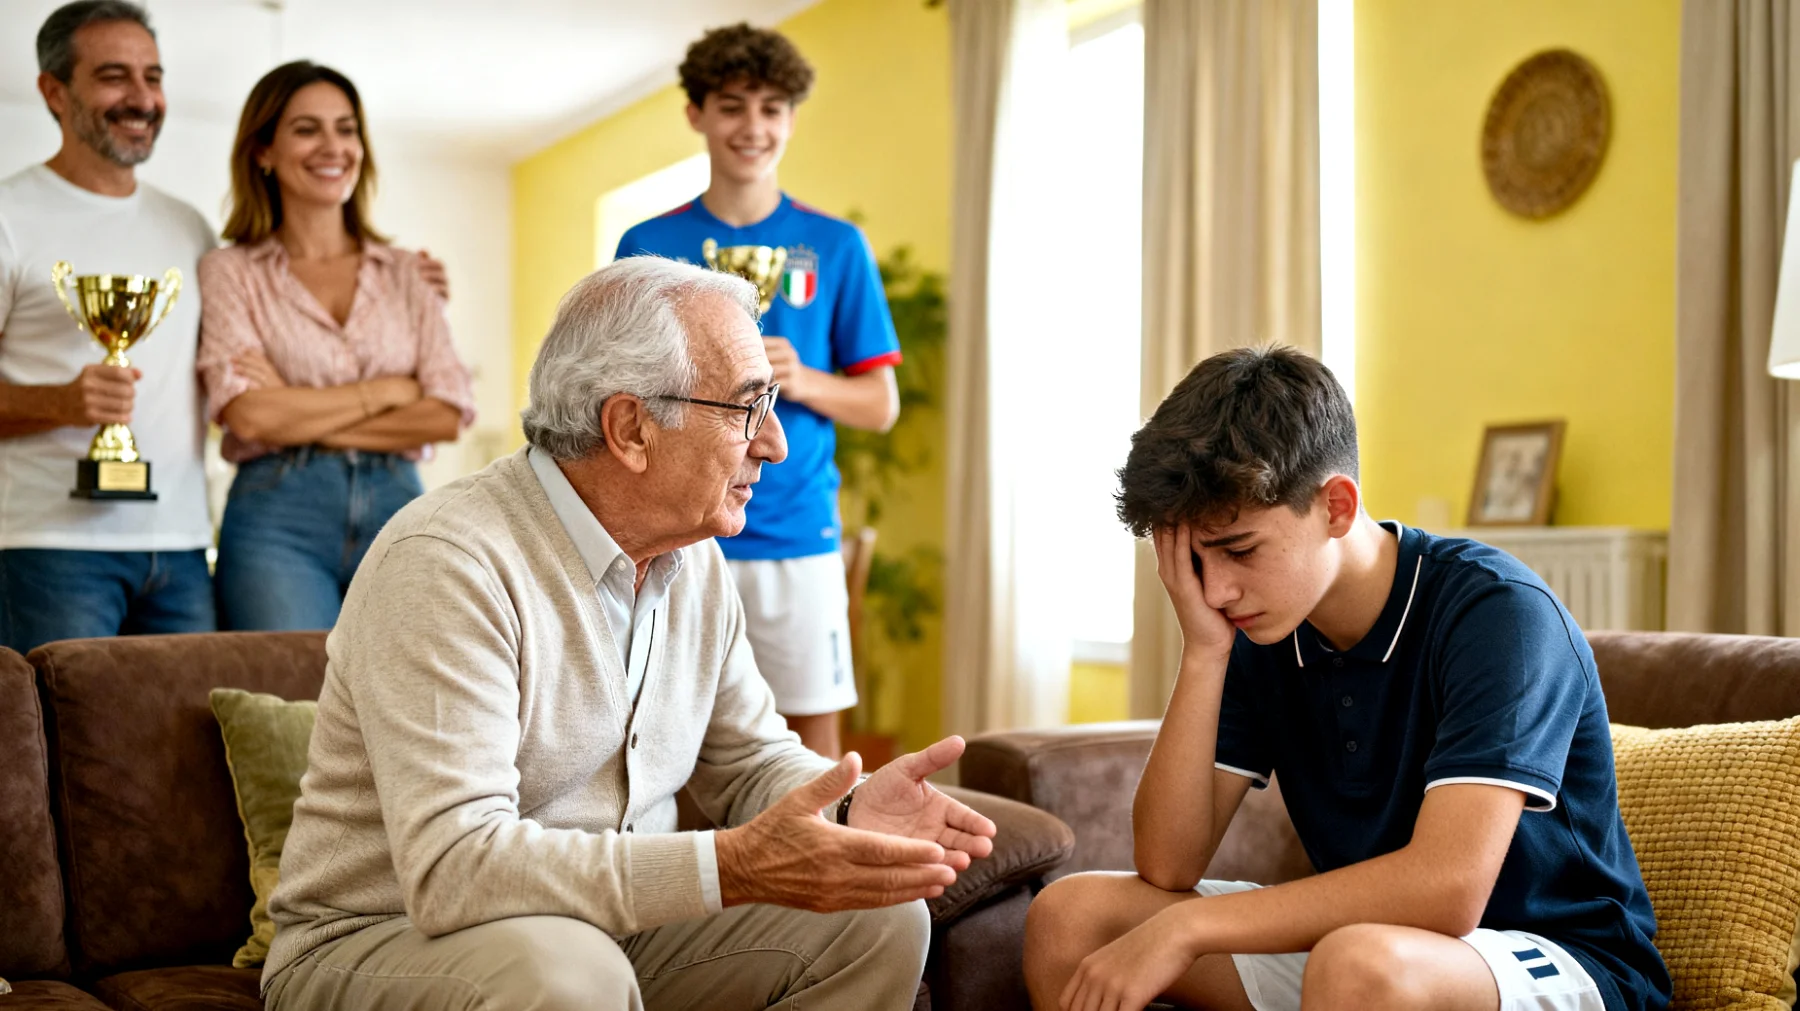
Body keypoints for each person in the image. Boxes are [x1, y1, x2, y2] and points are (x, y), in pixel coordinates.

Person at [262, 255, 995, 1010]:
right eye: (747, 407)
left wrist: (845, 807)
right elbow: (456, 866)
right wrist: (728, 865)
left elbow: (746, 759)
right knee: (571, 972)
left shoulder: (698, 562)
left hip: (608, 929)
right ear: (630, 427)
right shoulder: (449, 561)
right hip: (380, 938)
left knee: (880, 920)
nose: (773, 442)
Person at [1023, 346, 1671, 1011]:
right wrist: (1203, 653)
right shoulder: (1260, 625)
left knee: (1358, 962)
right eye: (1194, 561)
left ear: (1335, 506)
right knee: (1071, 916)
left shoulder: (1499, 613)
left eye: (1240, 549)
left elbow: (1446, 889)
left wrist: (1187, 926)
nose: (1216, 588)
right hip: (1368, 946)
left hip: (1563, 957)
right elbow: (1168, 864)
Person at [614, 23, 902, 758]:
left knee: (812, 746)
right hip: (675, 530)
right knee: (660, 743)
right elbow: (620, 395)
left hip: (797, 535)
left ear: (791, 119)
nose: (753, 126)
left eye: (771, 108)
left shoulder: (837, 245)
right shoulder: (646, 245)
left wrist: (804, 380)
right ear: (697, 115)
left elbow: (880, 403)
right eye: (734, 106)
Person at [197, 60, 474, 632]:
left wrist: (295, 410)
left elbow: (446, 414)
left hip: (398, 507)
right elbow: (248, 413)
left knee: (406, 693)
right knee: (293, 703)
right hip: (277, 519)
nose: (333, 146)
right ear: (263, 150)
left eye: (346, 128)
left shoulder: (409, 272)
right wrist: (389, 393)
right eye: (307, 129)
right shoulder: (230, 272)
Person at [0, 1, 215, 654]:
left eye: (154, 76)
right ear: (53, 91)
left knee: (189, 756)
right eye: (115, 76)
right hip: (47, 547)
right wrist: (59, 402)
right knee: (56, 755)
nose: (143, 98)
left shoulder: (191, 227)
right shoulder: (9, 214)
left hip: (182, 548)